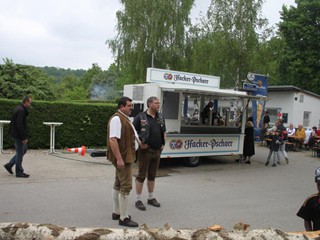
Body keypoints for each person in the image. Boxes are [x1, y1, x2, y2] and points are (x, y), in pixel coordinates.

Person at [107, 96, 145, 227]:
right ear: (121, 106)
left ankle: (116, 212)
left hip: (125, 156)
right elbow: (112, 140)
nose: (131, 108)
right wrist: (119, 159)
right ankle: (123, 218)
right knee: (126, 186)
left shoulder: (125, 119)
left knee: (118, 183)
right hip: (123, 157)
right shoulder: (117, 119)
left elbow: (133, 134)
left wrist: (140, 143)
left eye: (131, 105)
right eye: (129, 106)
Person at [133, 96, 166, 211]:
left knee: (152, 175)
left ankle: (151, 198)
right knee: (141, 175)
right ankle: (138, 200)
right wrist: (139, 143)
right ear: (149, 104)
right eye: (156, 103)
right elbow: (133, 132)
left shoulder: (160, 117)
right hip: (145, 150)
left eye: (159, 103)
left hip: (157, 151)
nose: (158, 105)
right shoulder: (141, 117)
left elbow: (164, 131)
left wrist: (163, 143)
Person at [4, 96, 32, 178]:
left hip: (16, 134)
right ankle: (19, 172)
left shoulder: (19, 108)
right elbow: (19, 125)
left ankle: (9, 165)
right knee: (20, 152)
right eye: (30, 103)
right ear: (26, 102)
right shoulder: (21, 110)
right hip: (18, 135)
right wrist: (23, 138)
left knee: (23, 150)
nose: (30, 104)